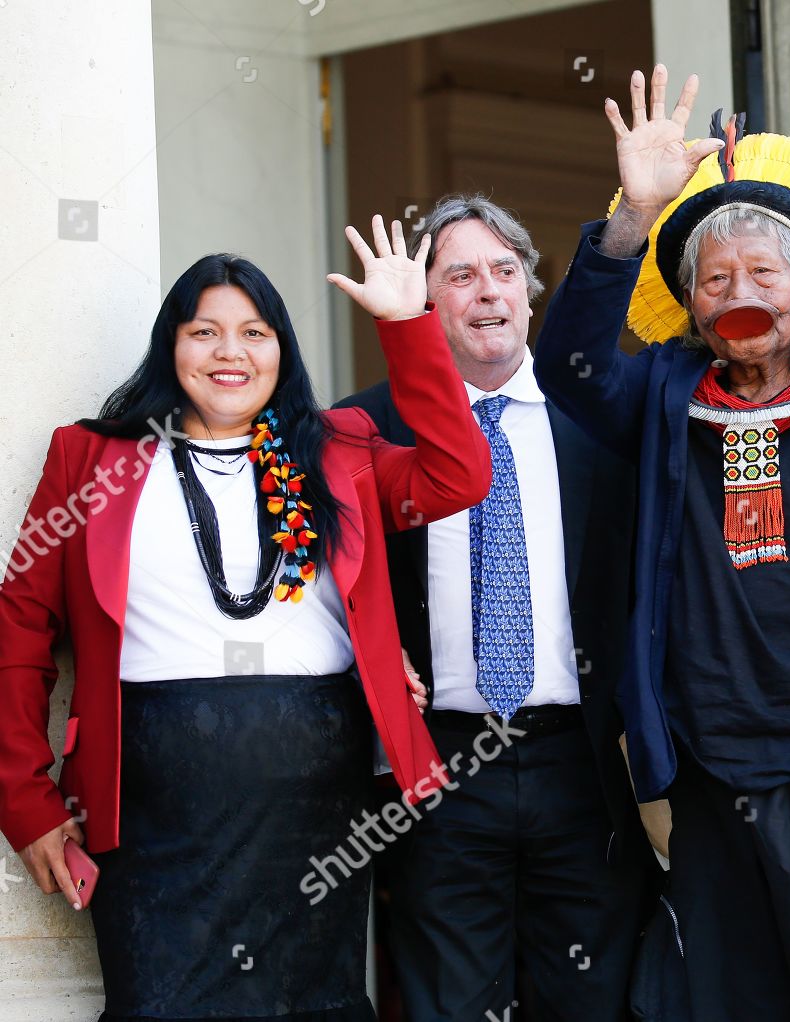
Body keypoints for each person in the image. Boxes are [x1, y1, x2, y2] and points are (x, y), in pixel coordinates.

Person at [532, 66, 790, 1022]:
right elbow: (566, 365)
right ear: (688, 303)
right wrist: (631, 222)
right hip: (707, 773)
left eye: (765, 272)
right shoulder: (659, 398)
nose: (740, 291)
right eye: (715, 278)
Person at [0, 217, 490, 1020]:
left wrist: (407, 325)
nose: (231, 352)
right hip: (152, 815)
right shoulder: (89, 460)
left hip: (318, 809)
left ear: (282, 351)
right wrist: (25, 803)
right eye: (205, 332)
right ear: (171, 348)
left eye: (254, 333)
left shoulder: (339, 451)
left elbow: (458, 475)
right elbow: (17, 635)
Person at [337, 193, 657, 1021]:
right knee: (446, 1004)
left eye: (505, 271)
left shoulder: (601, 417)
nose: (488, 291)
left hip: (581, 766)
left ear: (530, 290)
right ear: (424, 299)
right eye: (461, 275)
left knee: (588, 1002)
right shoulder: (365, 427)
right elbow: (327, 578)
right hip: (439, 768)